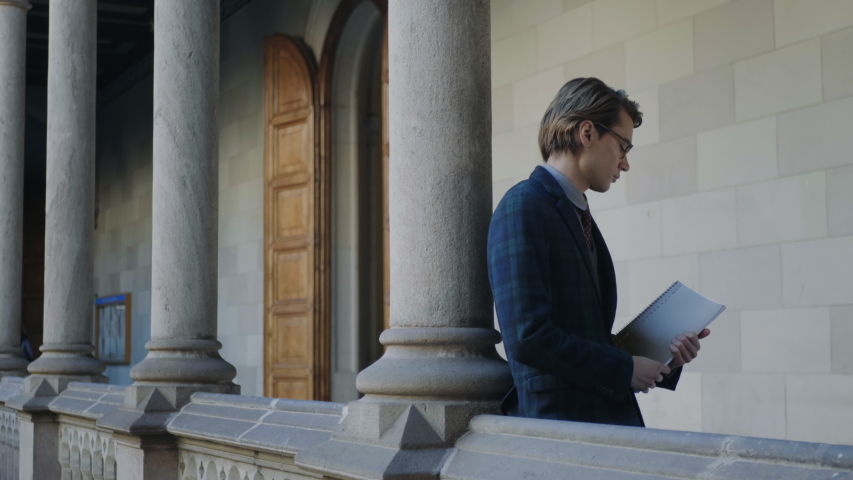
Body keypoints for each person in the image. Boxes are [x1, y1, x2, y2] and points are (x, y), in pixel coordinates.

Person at [487, 77, 710, 427]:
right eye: (623, 147)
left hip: (596, 423)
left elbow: (587, 338)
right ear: (587, 133)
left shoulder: (578, 215)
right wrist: (625, 369)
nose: (625, 163)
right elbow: (528, 338)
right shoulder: (523, 206)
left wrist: (664, 360)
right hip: (558, 429)